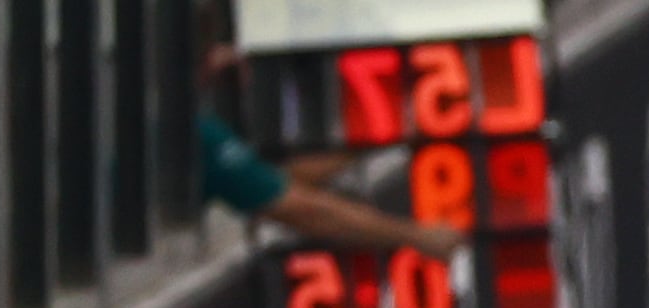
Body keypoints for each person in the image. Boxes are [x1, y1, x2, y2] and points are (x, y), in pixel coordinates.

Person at [199, 14, 464, 255]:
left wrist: (379, 138)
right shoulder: (201, 133)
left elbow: (266, 180)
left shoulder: (197, 128)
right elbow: (304, 211)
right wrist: (417, 236)